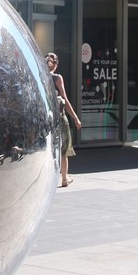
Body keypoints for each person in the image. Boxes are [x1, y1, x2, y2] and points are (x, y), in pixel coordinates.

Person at [46, 52, 81, 187]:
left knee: (50, 148)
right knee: (64, 149)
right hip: (60, 118)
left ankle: (49, 178)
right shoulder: (57, 78)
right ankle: (65, 178)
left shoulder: (40, 76)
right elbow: (64, 100)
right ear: (55, 64)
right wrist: (76, 118)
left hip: (47, 119)